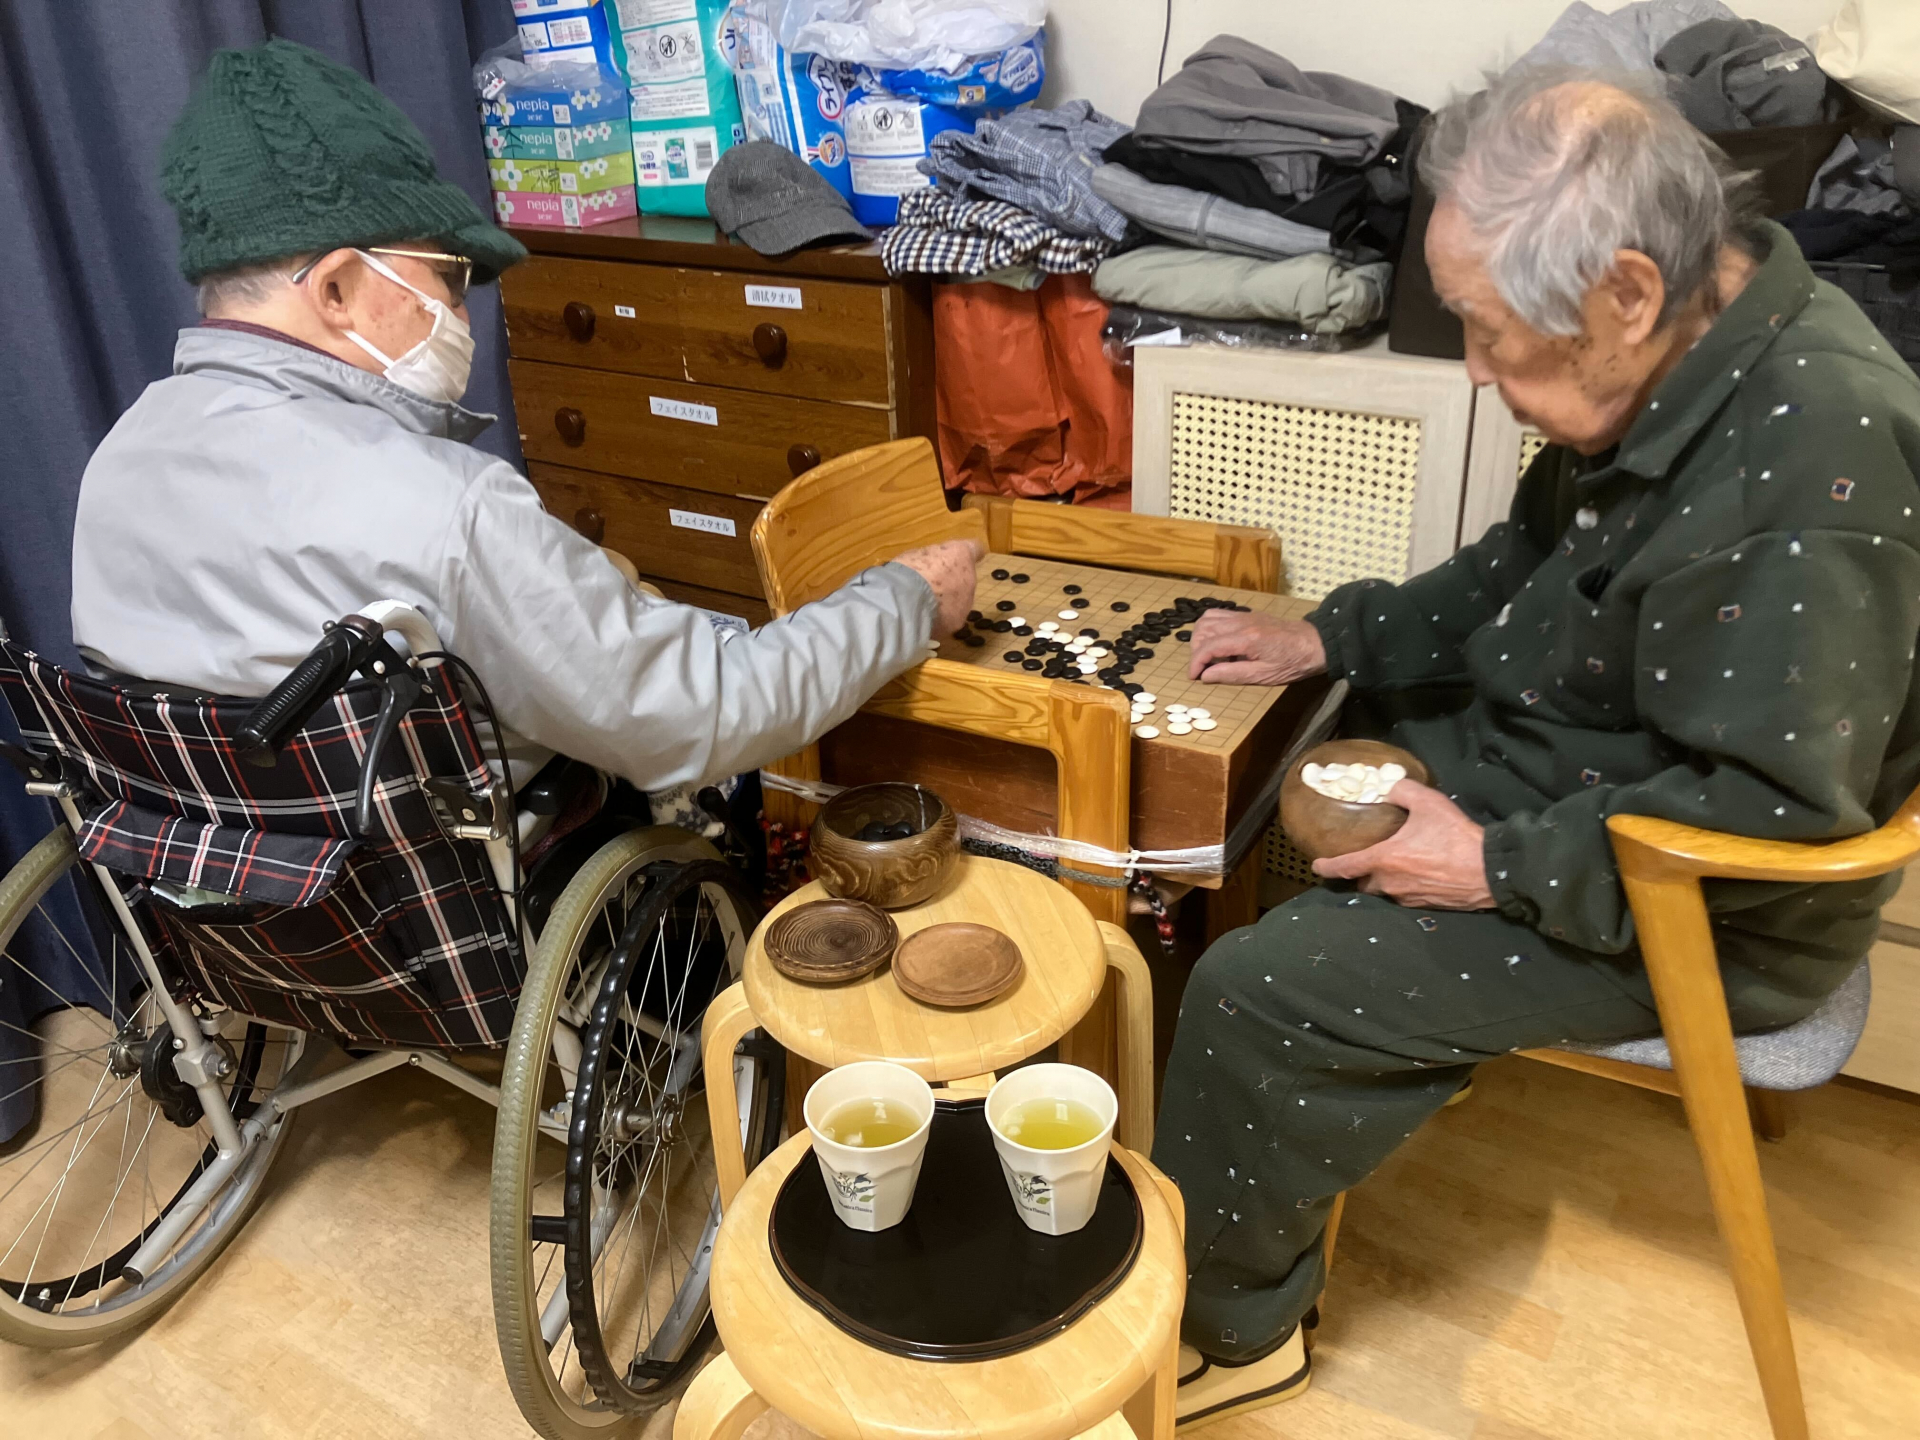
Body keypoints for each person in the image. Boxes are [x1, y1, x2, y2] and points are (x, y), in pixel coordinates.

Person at [1157, 66, 1920, 1430]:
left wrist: (1494, 867)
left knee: (1254, 994)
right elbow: (1521, 562)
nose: (1474, 368)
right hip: (1596, 763)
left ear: (1627, 291)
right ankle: (1343, 1087)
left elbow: (1770, 818)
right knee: (1317, 755)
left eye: (1490, 333)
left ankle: (1236, 1331)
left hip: (1712, 901)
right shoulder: (1690, 338)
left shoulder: (1814, 468)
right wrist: (1330, 636)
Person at [69, 39, 979, 807]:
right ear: (339, 288)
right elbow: (701, 716)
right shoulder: (445, 509)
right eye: (445, 277)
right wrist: (902, 597)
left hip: (229, 896)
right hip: (460, 887)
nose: (460, 313)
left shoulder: (118, 461)